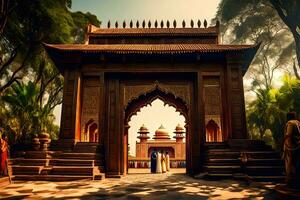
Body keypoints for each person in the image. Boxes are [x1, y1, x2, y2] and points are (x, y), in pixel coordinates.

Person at [283, 112, 300, 188]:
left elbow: (288, 135)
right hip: (298, 145)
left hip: (291, 147)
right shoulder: (298, 122)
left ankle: (290, 182)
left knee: (290, 164)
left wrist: (286, 146)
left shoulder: (290, 123)